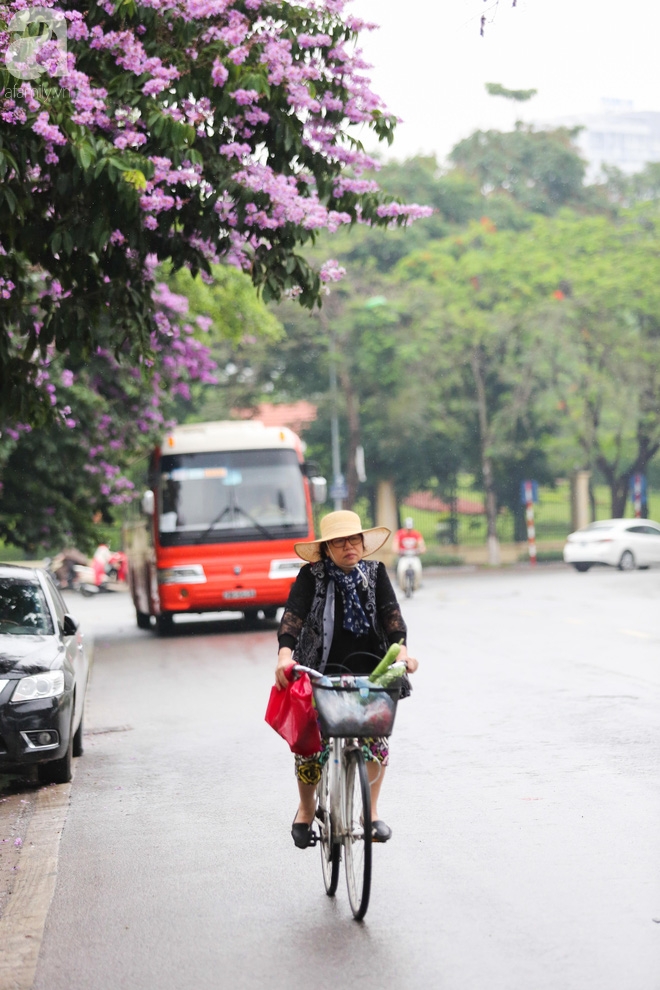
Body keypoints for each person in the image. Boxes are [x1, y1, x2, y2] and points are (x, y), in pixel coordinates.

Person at [275, 510, 419, 849]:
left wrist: (402, 652)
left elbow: (392, 617)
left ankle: (369, 815)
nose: (348, 546)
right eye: (338, 541)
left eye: (353, 539)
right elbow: (293, 617)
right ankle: (307, 810)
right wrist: (285, 655)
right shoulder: (312, 576)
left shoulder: (375, 572)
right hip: (320, 669)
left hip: (369, 670)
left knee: (376, 740)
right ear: (327, 548)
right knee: (309, 744)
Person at [393, 517, 426, 592]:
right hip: (403, 556)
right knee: (400, 569)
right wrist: (398, 550)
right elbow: (395, 546)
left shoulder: (416, 534)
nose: (409, 530)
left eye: (410, 528)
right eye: (407, 528)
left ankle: (417, 583)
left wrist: (421, 549)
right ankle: (399, 582)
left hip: (414, 556)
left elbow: (422, 545)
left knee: (418, 569)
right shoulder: (399, 534)